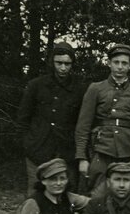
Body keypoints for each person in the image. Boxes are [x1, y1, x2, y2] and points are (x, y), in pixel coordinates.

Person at [74, 43, 130, 198]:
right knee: (97, 196)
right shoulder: (96, 89)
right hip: (100, 151)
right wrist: (82, 158)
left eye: (124, 63)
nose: (120, 67)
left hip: (128, 153)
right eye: (116, 62)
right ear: (109, 63)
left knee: (125, 197)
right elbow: (83, 127)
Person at [17, 42, 87, 194]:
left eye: (67, 64)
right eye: (59, 63)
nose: (63, 68)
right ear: (52, 62)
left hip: (67, 153)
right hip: (38, 151)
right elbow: (23, 119)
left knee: (67, 195)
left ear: (72, 64)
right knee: (36, 195)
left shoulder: (80, 89)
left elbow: (83, 122)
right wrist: (28, 144)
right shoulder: (36, 86)